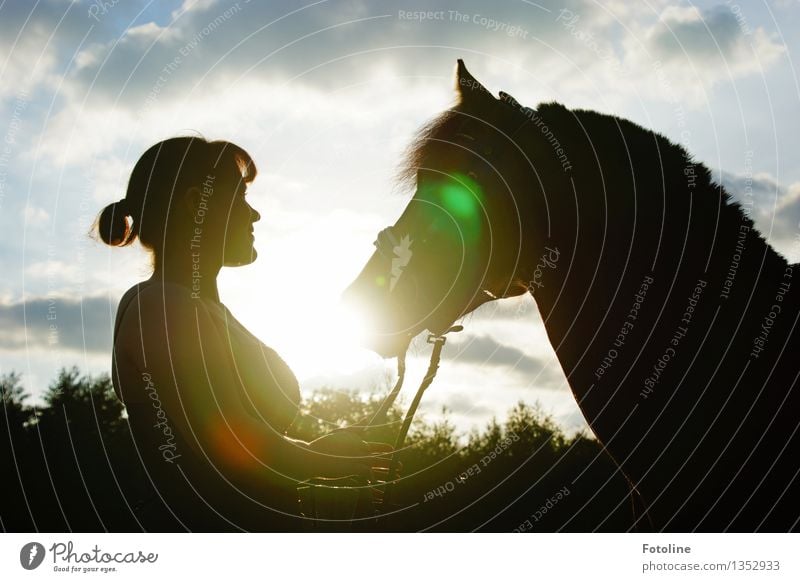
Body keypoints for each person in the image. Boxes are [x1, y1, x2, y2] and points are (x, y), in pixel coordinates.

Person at [96, 136, 388, 531]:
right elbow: (232, 448)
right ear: (195, 203)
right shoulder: (162, 308)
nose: (255, 216)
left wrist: (323, 451)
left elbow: (248, 451)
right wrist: (335, 460)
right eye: (240, 198)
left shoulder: (203, 310)